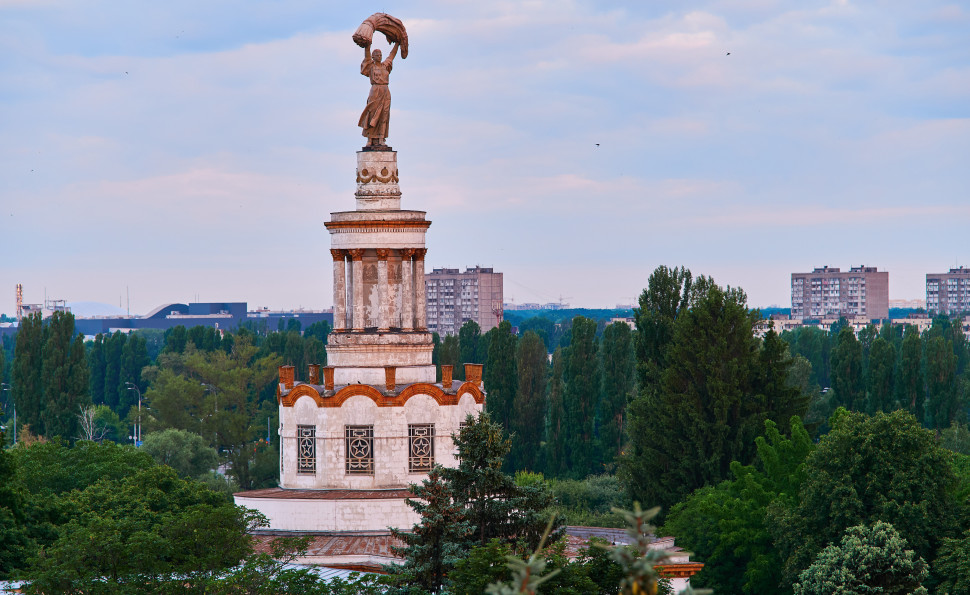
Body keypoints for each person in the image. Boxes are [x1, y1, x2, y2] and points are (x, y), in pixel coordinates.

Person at [358, 41, 399, 146]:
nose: (379, 56)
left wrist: (397, 43)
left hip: (385, 90)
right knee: (372, 114)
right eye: (377, 55)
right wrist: (367, 45)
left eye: (380, 55)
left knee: (384, 116)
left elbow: (392, 55)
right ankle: (370, 138)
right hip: (375, 91)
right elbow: (367, 55)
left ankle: (381, 138)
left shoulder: (385, 66)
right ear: (373, 57)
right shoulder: (371, 66)